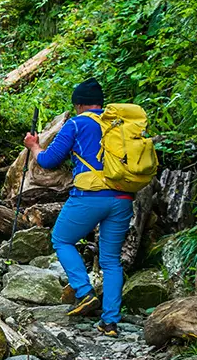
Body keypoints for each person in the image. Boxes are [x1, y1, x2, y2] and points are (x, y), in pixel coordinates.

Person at [23, 79, 133, 336]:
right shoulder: (120, 124)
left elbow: (49, 161)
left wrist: (34, 146)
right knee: (111, 261)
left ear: (79, 104)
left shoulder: (77, 123)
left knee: (61, 239)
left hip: (89, 197)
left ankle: (84, 292)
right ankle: (110, 323)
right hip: (123, 198)